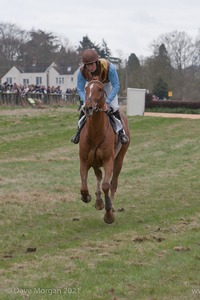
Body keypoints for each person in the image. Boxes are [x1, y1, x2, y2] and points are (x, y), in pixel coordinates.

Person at [71, 49, 129, 144]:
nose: (90, 67)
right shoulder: (82, 71)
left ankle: (121, 132)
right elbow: (80, 89)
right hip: (92, 85)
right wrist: (85, 101)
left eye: (92, 64)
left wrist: (107, 101)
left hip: (107, 85)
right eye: (87, 65)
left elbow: (116, 85)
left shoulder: (109, 67)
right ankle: (78, 132)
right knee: (84, 108)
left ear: (97, 62)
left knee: (114, 107)